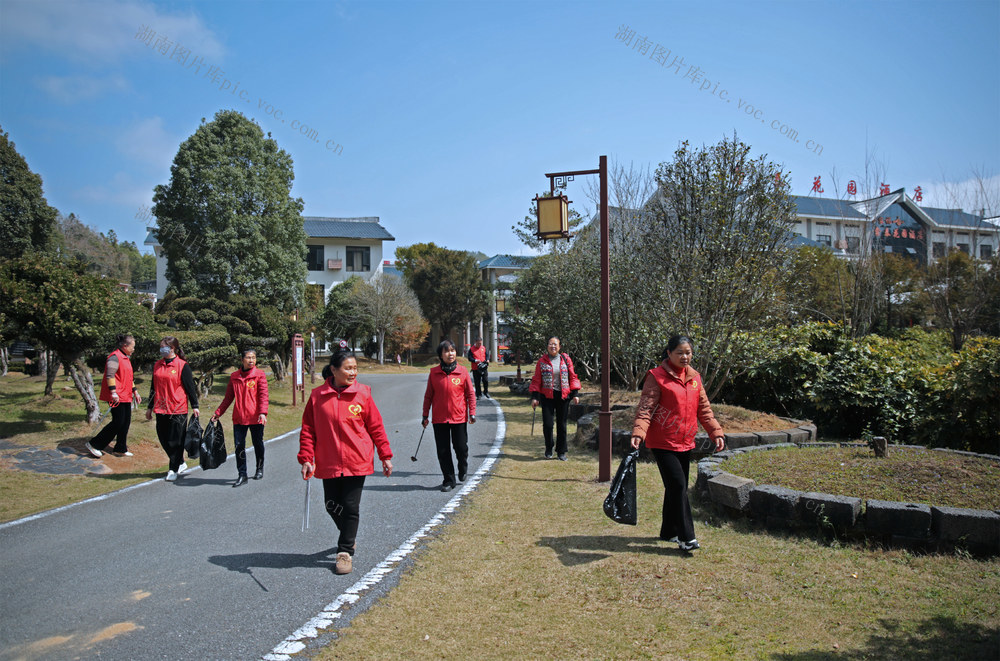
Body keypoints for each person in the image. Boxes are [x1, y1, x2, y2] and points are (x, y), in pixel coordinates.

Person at [298, 351, 393, 575]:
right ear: (333, 370)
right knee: (331, 505)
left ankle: (344, 552)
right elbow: (308, 430)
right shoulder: (317, 396)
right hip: (328, 460)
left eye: (355, 368)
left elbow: (376, 427)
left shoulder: (363, 394)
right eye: (348, 368)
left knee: (350, 506)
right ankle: (348, 535)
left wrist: (385, 455)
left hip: (356, 459)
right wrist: (306, 458)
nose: (353, 372)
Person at [630, 335, 725, 552]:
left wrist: (715, 432)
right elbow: (646, 407)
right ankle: (686, 537)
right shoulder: (656, 376)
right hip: (662, 442)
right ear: (669, 353)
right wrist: (639, 432)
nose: (685, 356)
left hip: (685, 441)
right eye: (680, 352)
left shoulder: (695, 378)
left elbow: (705, 410)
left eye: (688, 352)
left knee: (674, 487)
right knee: (679, 486)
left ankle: (669, 531)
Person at [422, 340, 476, 492]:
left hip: (458, 417)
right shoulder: (434, 373)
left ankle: (462, 465)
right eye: (446, 351)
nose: (450, 353)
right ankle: (448, 479)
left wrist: (472, 412)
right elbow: (428, 396)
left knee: (460, 447)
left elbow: (470, 394)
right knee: (443, 451)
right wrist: (425, 415)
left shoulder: (463, 371)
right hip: (439, 419)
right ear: (441, 355)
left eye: (452, 350)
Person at [211, 349, 269, 487]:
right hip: (239, 418)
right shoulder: (234, 376)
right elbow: (228, 398)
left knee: (258, 443)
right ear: (242, 359)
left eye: (254, 358)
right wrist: (218, 413)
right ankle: (242, 474)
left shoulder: (259, 375)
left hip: (256, 418)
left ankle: (259, 468)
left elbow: (263, 395)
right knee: (239, 446)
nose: (251, 361)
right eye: (248, 358)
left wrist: (262, 413)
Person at [145, 336, 199, 482]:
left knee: (176, 441)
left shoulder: (182, 365)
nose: (162, 349)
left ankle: (173, 469)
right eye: (161, 347)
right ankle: (180, 461)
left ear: (172, 348)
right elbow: (153, 387)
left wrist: (195, 405)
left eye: (164, 347)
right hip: (161, 408)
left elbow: (190, 387)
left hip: (177, 408)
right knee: (163, 438)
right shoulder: (157, 365)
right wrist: (149, 407)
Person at [86, 334, 140, 458]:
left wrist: (135, 391)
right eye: (133, 347)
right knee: (118, 422)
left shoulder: (125, 358)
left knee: (125, 422)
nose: (134, 349)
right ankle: (95, 444)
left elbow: (128, 377)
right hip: (117, 395)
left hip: (126, 395)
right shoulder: (114, 357)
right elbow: (110, 376)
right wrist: (113, 392)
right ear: (125, 346)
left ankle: (120, 448)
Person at [529, 336, 581, 461]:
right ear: (547, 346)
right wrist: (535, 397)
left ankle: (561, 451)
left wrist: (575, 394)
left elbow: (572, 376)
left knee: (562, 425)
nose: (553, 346)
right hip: (547, 397)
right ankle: (548, 448)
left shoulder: (566, 359)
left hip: (563, 396)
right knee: (548, 424)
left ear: (559, 346)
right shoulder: (542, 361)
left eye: (555, 344)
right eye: (550, 344)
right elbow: (536, 379)